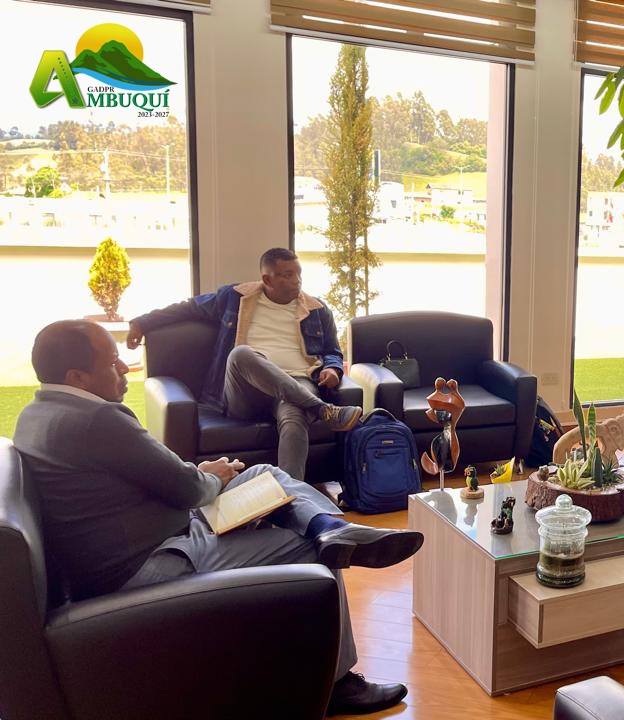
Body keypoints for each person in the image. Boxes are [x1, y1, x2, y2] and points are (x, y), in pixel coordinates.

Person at [14, 320, 423, 716]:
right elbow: (188, 490)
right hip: (150, 564)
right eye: (112, 361)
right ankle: (337, 684)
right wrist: (209, 477)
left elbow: (148, 479)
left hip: (145, 543)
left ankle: (331, 528)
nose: (125, 367)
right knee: (311, 551)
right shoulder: (98, 419)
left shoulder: (35, 416)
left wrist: (202, 476)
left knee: (263, 475)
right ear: (77, 377)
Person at [125, 247, 361, 482]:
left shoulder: (317, 310)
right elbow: (189, 307)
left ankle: (292, 495)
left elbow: (332, 351)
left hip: (298, 383)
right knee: (241, 354)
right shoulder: (234, 298)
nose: (296, 280)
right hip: (247, 391)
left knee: (294, 416)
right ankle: (322, 410)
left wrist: (332, 368)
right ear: (267, 279)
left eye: (298, 273)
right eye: (287, 275)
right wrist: (141, 323)